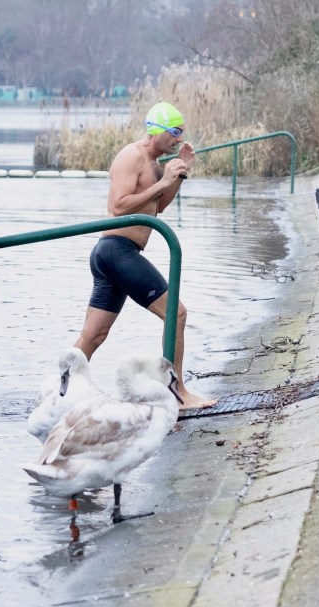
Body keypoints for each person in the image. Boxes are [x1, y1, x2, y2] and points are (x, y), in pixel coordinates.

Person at [74, 101, 216, 410]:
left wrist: (177, 174)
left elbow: (158, 207)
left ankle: (62, 389)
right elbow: (119, 206)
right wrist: (164, 181)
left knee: (94, 335)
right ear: (158, 131)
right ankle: (178, 394)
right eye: (175, 133)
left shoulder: (154, 163)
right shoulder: (132, 155)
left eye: (181, 133)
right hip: (116, 251)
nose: (178, 139)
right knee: (176, 314)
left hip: (118, 255)